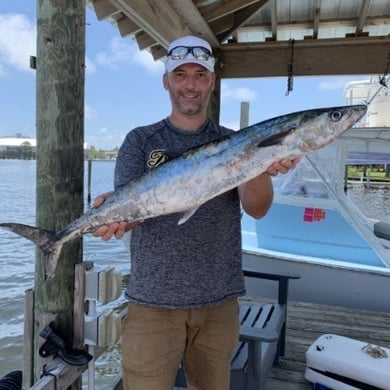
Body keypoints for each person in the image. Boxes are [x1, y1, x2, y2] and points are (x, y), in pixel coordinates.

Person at [93, 35, 299, 390]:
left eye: (200, 76)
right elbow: (129, 209)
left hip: (218, 303)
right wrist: (113, 218)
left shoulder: (239, 141)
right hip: (152, 302)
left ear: (212, 83)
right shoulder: (140, 140)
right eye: (181, 75)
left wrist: (262, 164)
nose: (191, 85)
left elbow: (257, 209)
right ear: (167, 81)